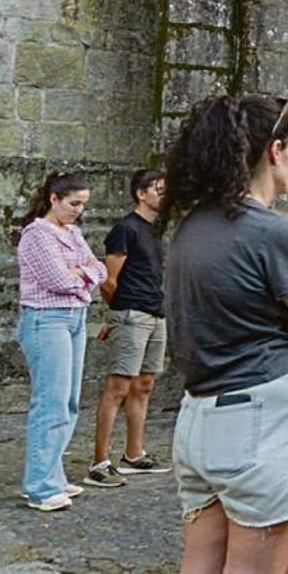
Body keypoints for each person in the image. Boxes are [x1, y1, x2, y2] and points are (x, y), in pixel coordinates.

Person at [163, 95, 288, 570]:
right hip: (264, 417)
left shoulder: (188, 229)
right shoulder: (272, 232)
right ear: (274, 150)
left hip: (200, 416)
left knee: (200, 563)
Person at [17, 171, 107, 512]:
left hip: (74, 318)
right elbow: (57, 280)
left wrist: (83, 273)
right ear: (54, 199)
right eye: (73, 203)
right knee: (50, 401)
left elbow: (99, 270)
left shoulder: (72, 233)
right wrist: (83, 273)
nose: (79, 210)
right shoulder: (37, 234)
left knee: (68, 400)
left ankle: (50, 472)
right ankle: (40, 485)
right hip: (46, 319)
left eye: (83, 205)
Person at [87, 169, 170, 491]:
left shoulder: (154, 230)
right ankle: (99, 462)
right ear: (141, 193)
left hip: (155, 313)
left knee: (144, 384)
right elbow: (109, 280)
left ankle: (134, 454)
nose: (164, 195)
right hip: (133, 314)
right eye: (158, 189)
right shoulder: (125, 229)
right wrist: (118, 313)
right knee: (118, 387)